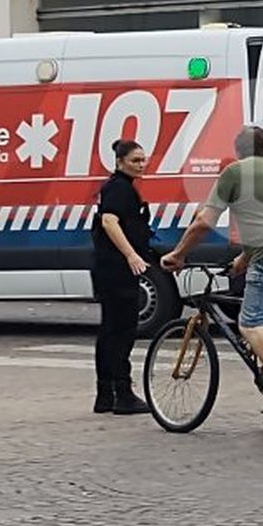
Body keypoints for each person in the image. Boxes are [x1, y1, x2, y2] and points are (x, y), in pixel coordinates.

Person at [161, 126, 263, 437]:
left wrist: (179, 255)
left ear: (239, 152)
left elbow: (203, 222)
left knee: (251, 324)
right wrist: (241, 262)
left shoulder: (234, 173)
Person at [90, 139, 153, 416]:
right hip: (117, 270)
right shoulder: (119, 189)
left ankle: (105, 394)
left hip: (107, 269)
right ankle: (122, 393)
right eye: (135, 160)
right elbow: (109, 221)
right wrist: (131, 255)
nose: (141, 165)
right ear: (120, 162)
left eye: (143, 160)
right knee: (122, 331)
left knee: (109, 330)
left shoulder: (118, 187)